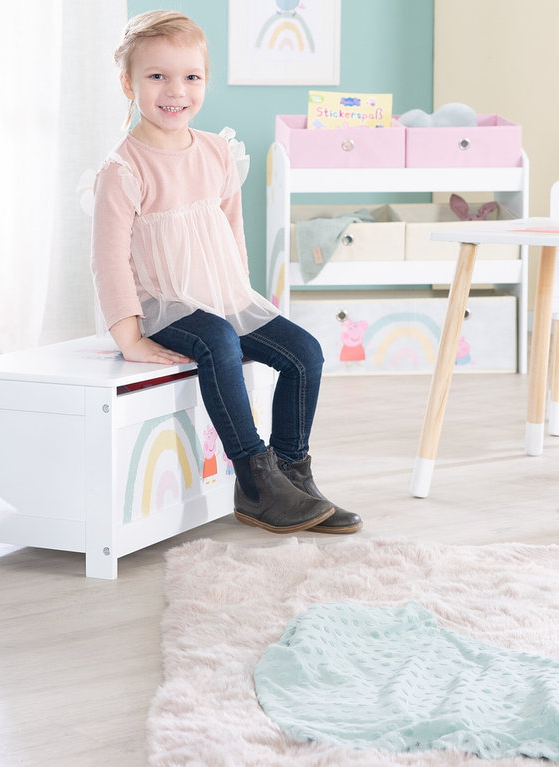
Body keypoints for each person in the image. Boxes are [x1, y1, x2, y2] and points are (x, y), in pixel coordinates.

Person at [91, 10, 361, 535]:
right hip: (162, 304)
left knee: (304, 353)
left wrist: (242, 299)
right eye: (157, 76)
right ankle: (255, 479)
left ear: (205, 81)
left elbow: (230, 234)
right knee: (218, 342)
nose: (176, 91)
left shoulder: (217, 152)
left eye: (191, 77)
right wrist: (129, 337)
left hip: (221, 296)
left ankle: (292, 475)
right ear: (128, 83)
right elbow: (108, 258)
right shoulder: (124, 169)